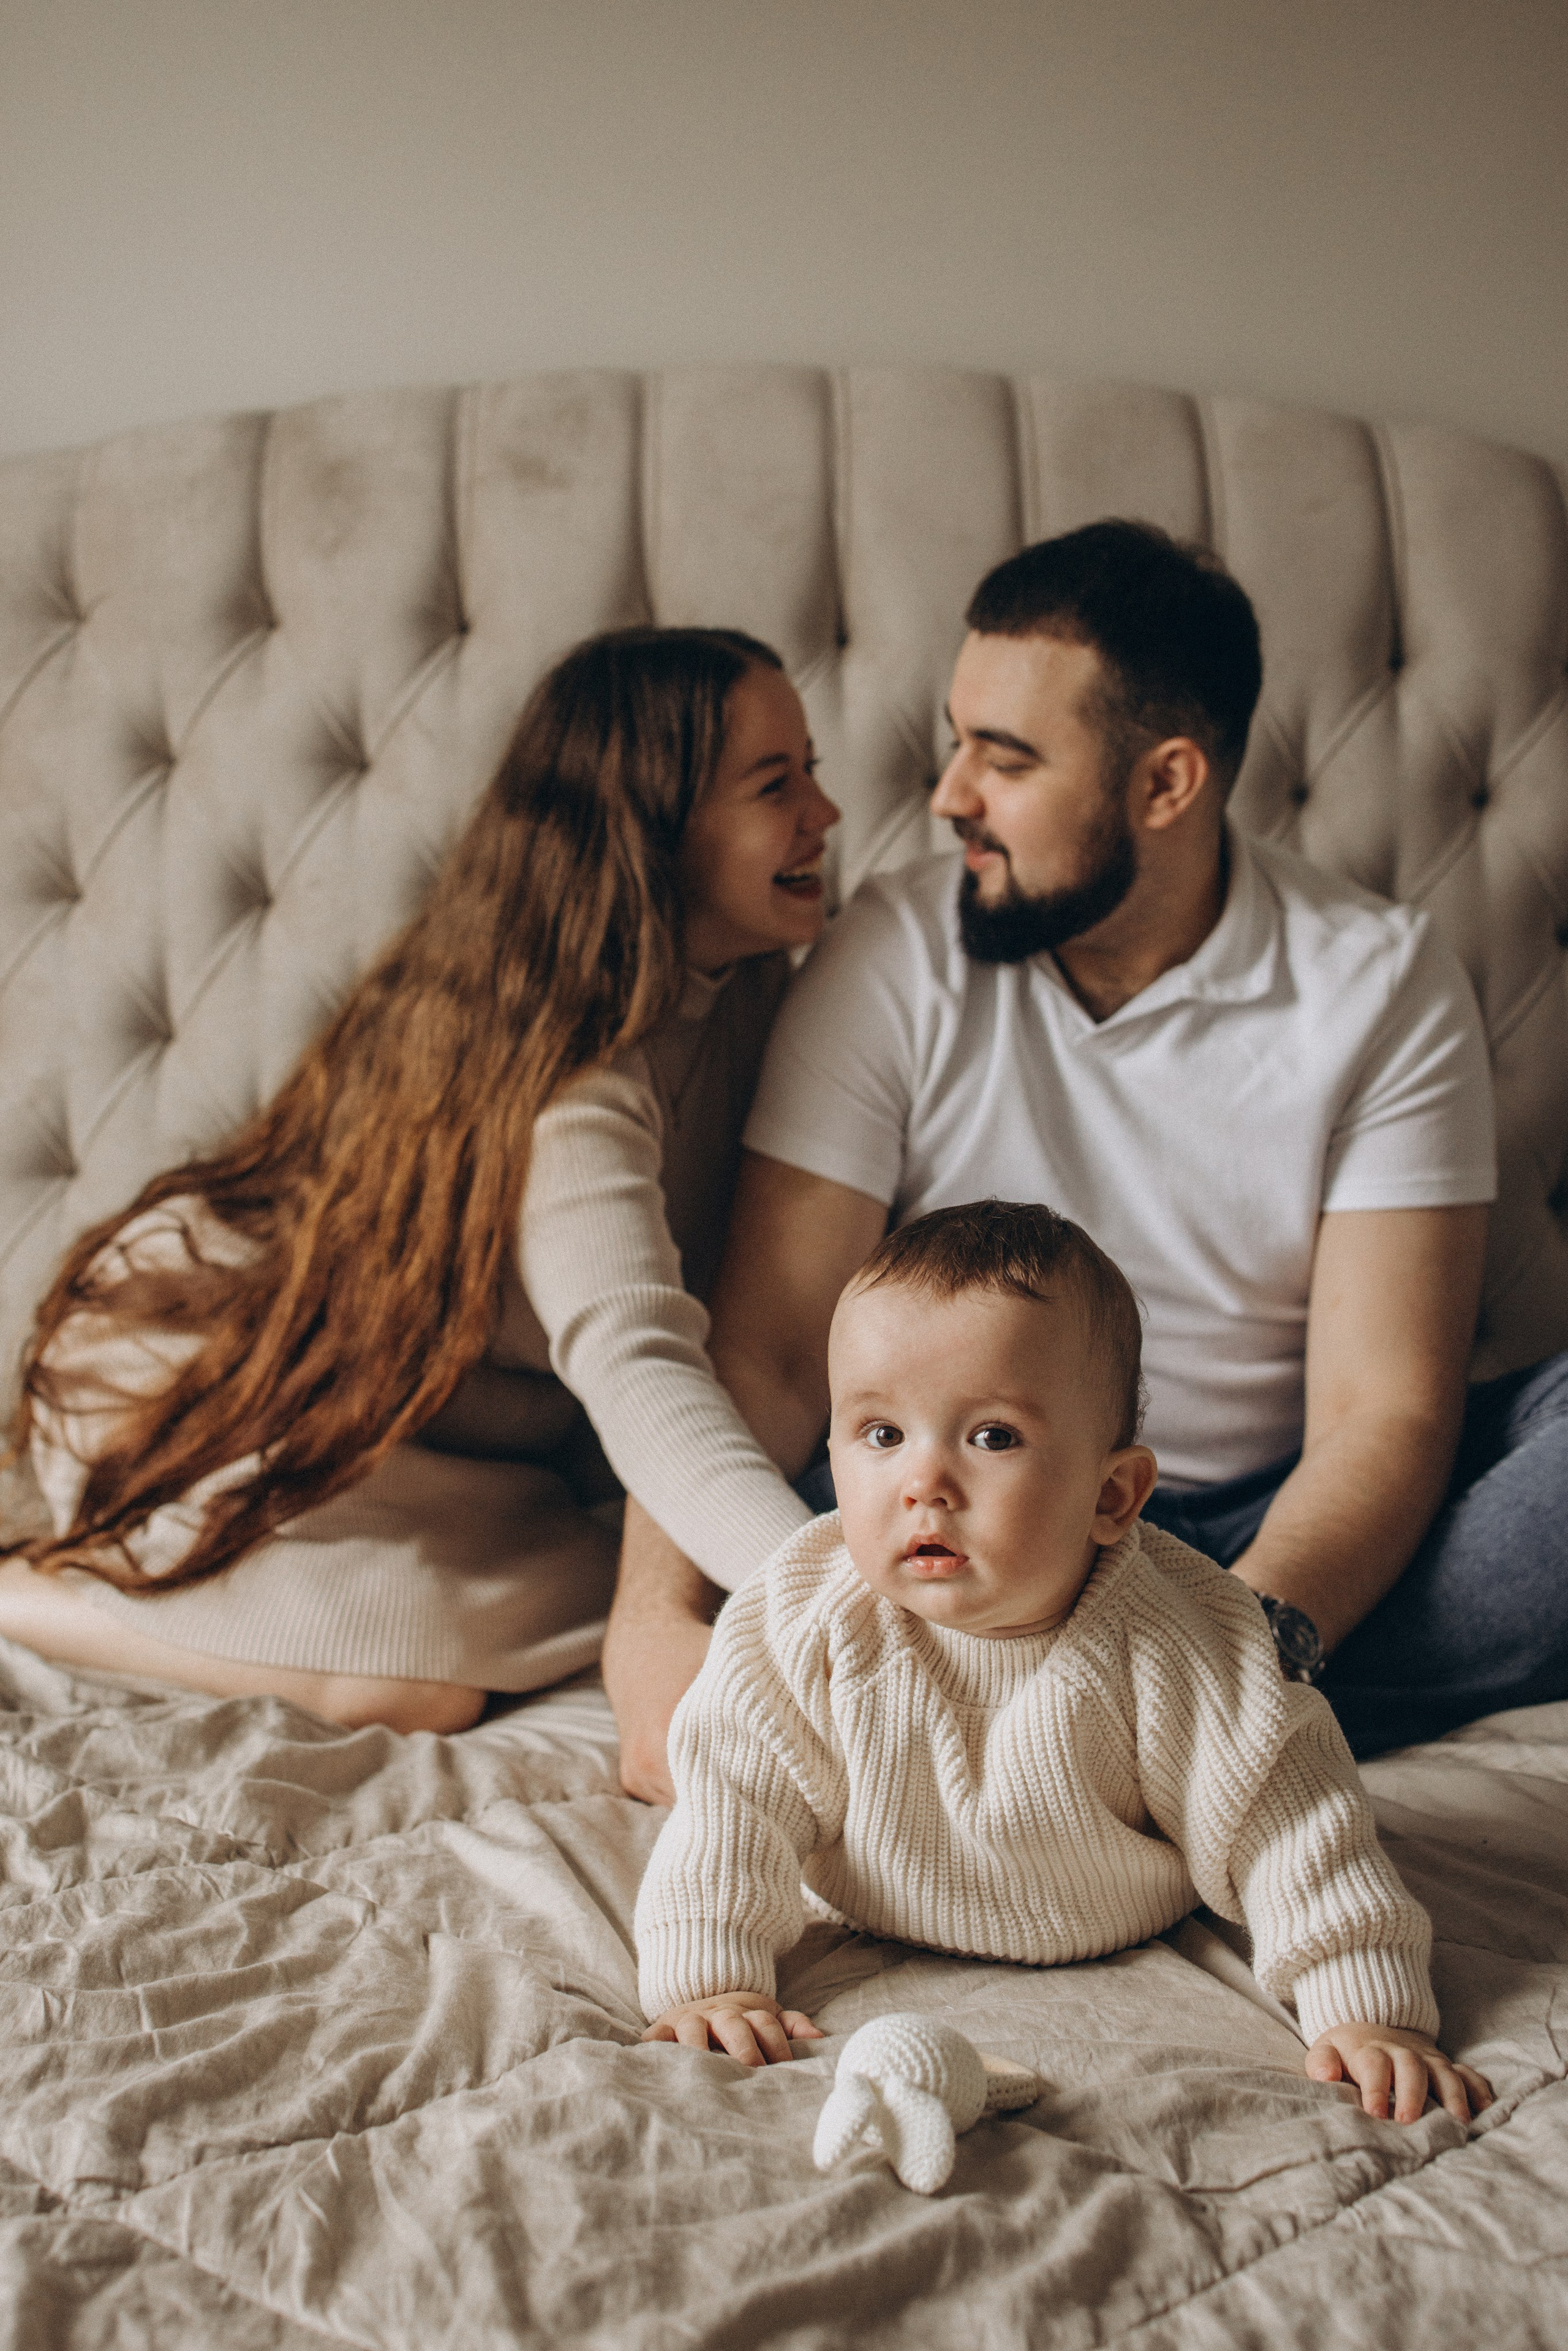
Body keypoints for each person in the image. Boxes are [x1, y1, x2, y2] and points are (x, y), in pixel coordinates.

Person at [608, 518, 1568, 1786]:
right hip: (957, 1504)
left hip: (1263, 1526)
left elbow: (1380, 1412)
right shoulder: (893, 949)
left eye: (1002, 761)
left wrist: (1236, 1648)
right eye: (958, 743)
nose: (947, 796)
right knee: (819, 1495)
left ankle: (1101, 1717)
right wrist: (649, 1623)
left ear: (1164, 783)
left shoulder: (1377, 980)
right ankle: (1108, 1728)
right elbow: (771, 1346)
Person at [1, 627, 835, 1733]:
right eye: (777, 786)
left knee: (567, 1590)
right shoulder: (575, 1084)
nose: (824, 815)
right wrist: (834, 1602)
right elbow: (636, 1359)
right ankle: (24, 1591)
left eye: (813, 770)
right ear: (655, 830)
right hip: (211, 1374)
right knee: (409, 1687)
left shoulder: (763, 997)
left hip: (433, 1435)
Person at [636, 1202, 1491, 2130]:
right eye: (881, 1434)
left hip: (1120, 1907)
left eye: (992, 1436)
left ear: (1114, 1493)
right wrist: (711, 1981)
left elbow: (1293, 1825)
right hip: (873, 1894)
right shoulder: (803, 1615)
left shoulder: (1181, 1639)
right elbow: (731, 1800)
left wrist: (1367, 2008)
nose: (924, 1481)